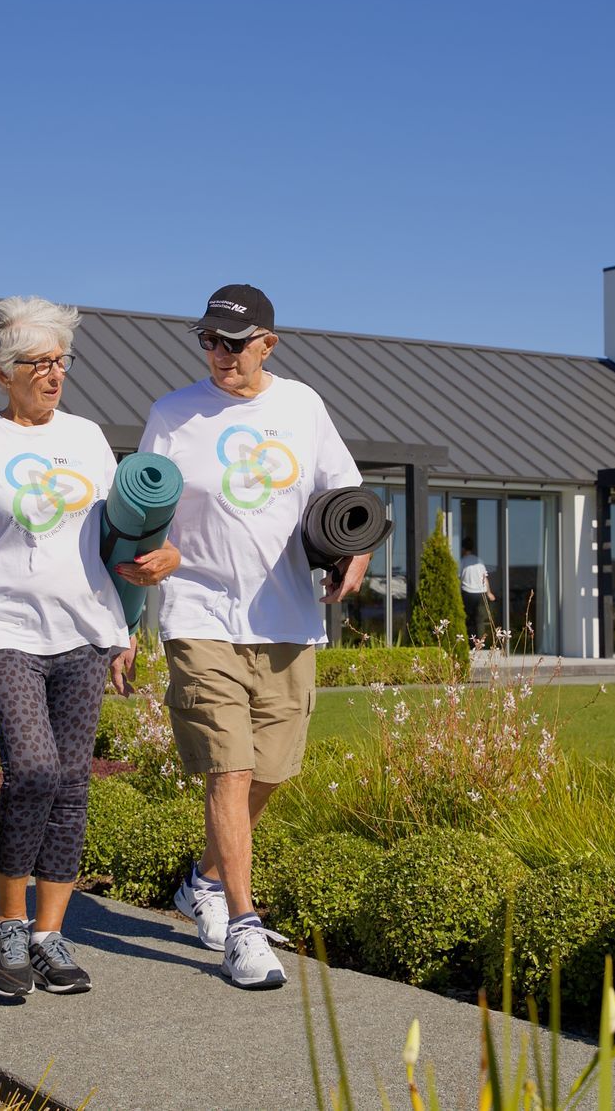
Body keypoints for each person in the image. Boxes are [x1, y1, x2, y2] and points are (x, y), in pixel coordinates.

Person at [0, 295, 179, 999]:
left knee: (73, 783)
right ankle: (6, 923)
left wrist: (138, 603)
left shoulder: (89, 436)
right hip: (4, 629)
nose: (54, 374)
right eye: (38, 363)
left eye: (61, 360)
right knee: (35, 769)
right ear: (1, 371)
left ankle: (48, 934)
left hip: (86, 630)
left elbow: (120, 539)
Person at [141, 283, 369, 989]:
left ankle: (204, 879)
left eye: (233, 343)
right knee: (229, 768)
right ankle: (242, 926)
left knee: (270, 770)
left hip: (286, 619)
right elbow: (142, 506)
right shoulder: (173, 414)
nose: (219, 355)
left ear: (268, 343)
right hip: (200, 612)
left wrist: (355, 555)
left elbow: (346, 495)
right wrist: (148, 569)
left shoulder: (302, 407)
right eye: (208, 340)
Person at [460, 548, 495, 645]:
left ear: (463, 549)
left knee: (469, 619)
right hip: (481, 593)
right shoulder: (479, 561)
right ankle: (481, 643)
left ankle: (471, 643)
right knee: (479, 619)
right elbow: (485, 578)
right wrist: (489, 593)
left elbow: (459, 577)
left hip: (468, 593)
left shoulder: (463, 561)